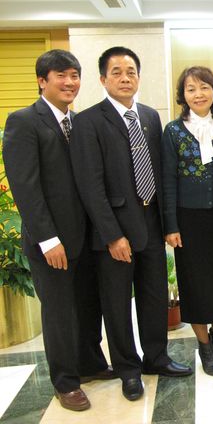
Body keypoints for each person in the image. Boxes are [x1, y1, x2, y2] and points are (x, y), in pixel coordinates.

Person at [71, 46, 192, 402]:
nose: (125, 78)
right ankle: (127, 368)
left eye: (131, 72)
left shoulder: (150, 117)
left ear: (139, 77)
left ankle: (156, 357)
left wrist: (167, 224)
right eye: (117, 72)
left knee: (154, 298)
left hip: (151, 225)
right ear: (103, 79)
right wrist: (112, 235)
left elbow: (159, 173)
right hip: (114, 234)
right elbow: (90, 186)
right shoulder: (89, 121)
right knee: (117, 303)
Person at [3, 50, 114, 412]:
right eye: (61, 76)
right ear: (42, 81)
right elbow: (25, 187)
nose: (70, 83)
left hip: (85, 237)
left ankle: (90, 364)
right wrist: (48, 238)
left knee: (86, 306)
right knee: (59, 312)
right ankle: (66, 382)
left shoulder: (79, 121)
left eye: (75, 76)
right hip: (52, 242)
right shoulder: (24, 121)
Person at [162, 66, 213, 376]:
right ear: (183, 95)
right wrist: (170, 224)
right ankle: (204, 345)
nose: (198, 94)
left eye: (204, 87)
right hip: (188, 220)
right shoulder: (173, 131)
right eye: (191, 89)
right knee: (194, 283)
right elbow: (167, 180)